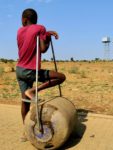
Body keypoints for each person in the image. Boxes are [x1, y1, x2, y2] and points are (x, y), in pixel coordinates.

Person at [16, 8, 66, 141]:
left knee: (24, 102)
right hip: (32, 71)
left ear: (24, 19)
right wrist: (47, 37)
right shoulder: (40, 28)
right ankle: (32, 90)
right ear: (35, 19)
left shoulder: (19, 31)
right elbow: (43, 49)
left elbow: (28, 42)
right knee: (61, 77)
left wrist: (44, 34)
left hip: (20, 70)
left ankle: (25, 132)